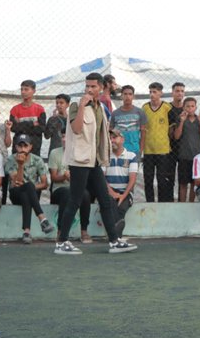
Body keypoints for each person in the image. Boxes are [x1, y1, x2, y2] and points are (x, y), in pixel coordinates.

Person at [53, 72, 137, 255]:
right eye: (87, 86)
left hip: (95, 161)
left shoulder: (100, 108)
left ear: (100, 87)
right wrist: (82, 105)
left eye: (93, 86)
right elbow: (75, 130)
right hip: (80, 161)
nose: (89, 90)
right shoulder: (76, 105)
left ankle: (114, 241)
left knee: (105, 200)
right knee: (75, 200)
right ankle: (61, 242)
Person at [6, 133, 52, 243]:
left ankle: (26, 232)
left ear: (30, 147)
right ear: (16, 147)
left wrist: (30, 187)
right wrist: (20, 165)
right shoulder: (11, 160)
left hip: (32, 194)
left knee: (27, 191)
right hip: (15, 193)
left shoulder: (37, 160)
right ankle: (42, 219)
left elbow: (45, 184)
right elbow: (17, 182)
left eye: (25, 146)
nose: (22, 149)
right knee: (27, 188)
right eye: (20, 146)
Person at [98, 129, 138, 240]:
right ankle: (116, 237)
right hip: (108, 192)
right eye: (110, 138)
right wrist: (112, 193)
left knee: (121, 207)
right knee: (108, 204)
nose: (112, 141)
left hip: (125, 193)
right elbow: (101, 178)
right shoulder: (105, 155)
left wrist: (122, 196)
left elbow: (132, 180)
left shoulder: (131, 156)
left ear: (122, 139)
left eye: (114, 137)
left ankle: (113, 236)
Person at [140, 81, 175, 203]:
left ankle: (161, 204)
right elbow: (142, 127)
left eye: (154, 92)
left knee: (161, 180)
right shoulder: (144, 107)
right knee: (148, 179)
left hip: (163, 150)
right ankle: (149, 203)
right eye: (150, 92)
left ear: (161, 93)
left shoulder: (167, 108)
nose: (152, 94)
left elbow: (172, 128)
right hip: (148, 150)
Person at [9, 80, 47, 157]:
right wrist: (32, 124)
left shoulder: (40, 109)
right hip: (18, 147)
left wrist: (21, 126)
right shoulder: (14, 110)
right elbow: (13, 128)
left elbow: (41, 128)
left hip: (34, 148)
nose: (23, 92)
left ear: (33, 91)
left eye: (26, 89)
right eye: (21, 89)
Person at [110, 85, 147, 158]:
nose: (127, 96)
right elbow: (111, 132)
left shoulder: (140, 112)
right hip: (119, 150)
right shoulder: (115, 113)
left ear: (133, 96)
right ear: (121, 96)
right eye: (125, 94)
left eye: (130, 94)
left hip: (135, 150)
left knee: (133, 169)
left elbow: (143, 133)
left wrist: (141, 150)